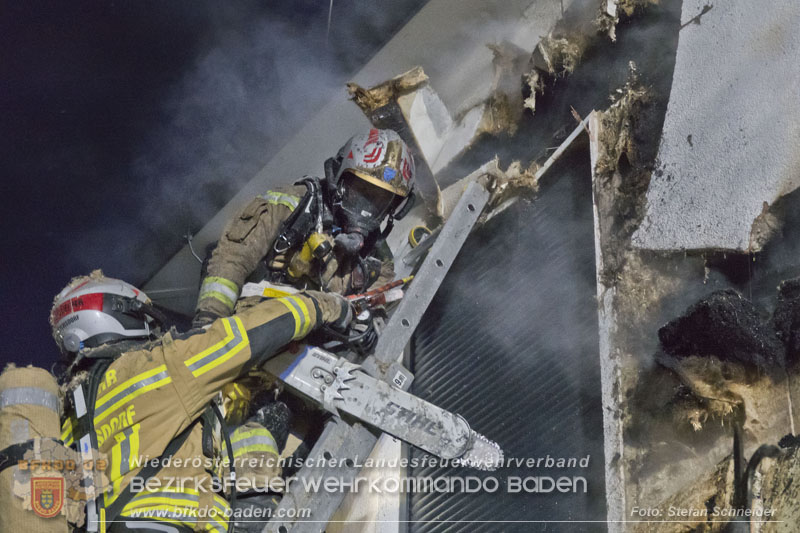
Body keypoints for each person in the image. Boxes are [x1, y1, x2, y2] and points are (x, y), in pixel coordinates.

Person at [53, 271, 352, 533]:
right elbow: (240, 338)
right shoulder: (150, 369)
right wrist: (323, 305)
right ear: (122, 314)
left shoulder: (65, 422)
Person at [193, 128, 416, 328]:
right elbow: (231, 260)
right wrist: (207, 325)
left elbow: (376, 304)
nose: (364, 210)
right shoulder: (290, 206)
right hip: (252, 328)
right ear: (338, 177)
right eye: (361, 192)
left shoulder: (376, 259)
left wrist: (369, 326)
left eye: (378, 201)